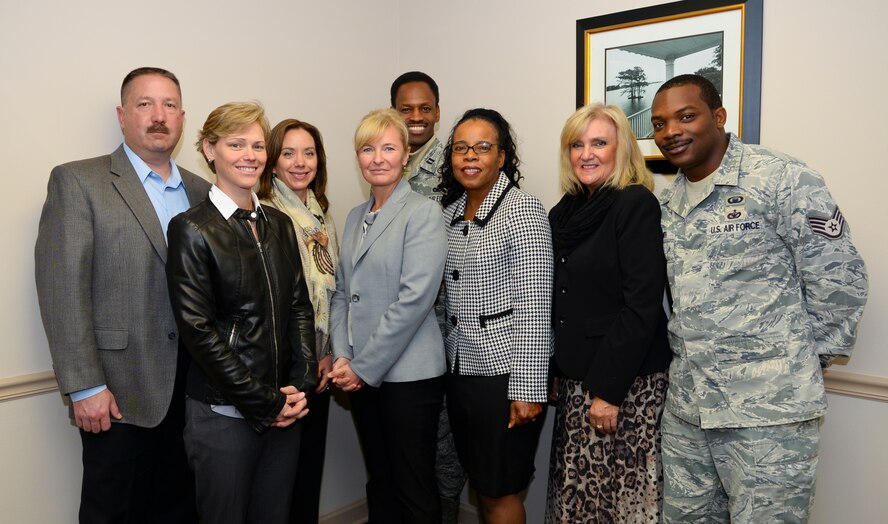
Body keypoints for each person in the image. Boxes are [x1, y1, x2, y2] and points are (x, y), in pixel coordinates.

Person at [651, 74, 868, 523]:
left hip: (768, 417)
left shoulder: (780, 178)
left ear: (719, 117)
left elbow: (840, 278)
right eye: (659, 123)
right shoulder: (670, 200)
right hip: (689, 413)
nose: (671, 131)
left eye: (686, 116)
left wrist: (795, 366)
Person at [34, 66, 208, 523]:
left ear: (182, 117)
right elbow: (61, 289)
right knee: (113, 512)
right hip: (119, 393)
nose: (158, 115)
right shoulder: (78, 181)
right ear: (122, 114)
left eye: (169, 105)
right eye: (145, 104)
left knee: (181, 511)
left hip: (194, 393)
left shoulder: (204, 193)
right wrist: (85, 385)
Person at [166, 101, 317, 523]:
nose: (250, 155)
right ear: (209, 149)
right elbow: (198, 331)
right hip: (224, 415)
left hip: (284, 410)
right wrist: (263, 401)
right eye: (236, 144)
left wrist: (301, 383)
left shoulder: (280, 224)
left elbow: (298, 306)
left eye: (257, 145)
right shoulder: (191, 228)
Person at [545, 103, 672, 522]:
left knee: (620, 503)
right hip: (579, 381)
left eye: (599, 142)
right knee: (580, 498)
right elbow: (560, 300)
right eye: (577, 144)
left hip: (624, 386)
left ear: (622, 149)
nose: (587, 153)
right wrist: (554, 369)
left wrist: (608, 392)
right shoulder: (565, 212)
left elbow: (641, 305)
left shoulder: (634, 204)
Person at [329, 108, 447, 523]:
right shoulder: (353, 216)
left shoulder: (423, 213)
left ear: (405, 155)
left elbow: (414, 300)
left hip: (409, 377)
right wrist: (343, 356)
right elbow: (343, 291)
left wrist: (361, 367)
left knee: (412, 486)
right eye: (367, 148)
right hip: (361, 372)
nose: (377, 157)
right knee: (379, 478)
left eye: (388, 148)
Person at [439, 108, 552, 524]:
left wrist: (527, 388)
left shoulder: (522, 210)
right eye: (461, 148)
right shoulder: (449, 215)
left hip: (504, 376)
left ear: (502, 157)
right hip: (460, 370)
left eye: (483, 147)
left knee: (500, 489)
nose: (470, 156)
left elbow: (536, 307)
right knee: (482, 485)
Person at [391, 70, 466, 523]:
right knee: (408, 452)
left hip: (448, 333)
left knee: (445, 453)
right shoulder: (390, 164)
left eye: (425, 108)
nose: (416, 117)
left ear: (438, 112)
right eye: (406, 109)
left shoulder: (455, 165)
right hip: (404, 338)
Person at [257, 118, 339, 524]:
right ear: (272, 162)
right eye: (288, 153)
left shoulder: (320, 217)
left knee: (308, 474)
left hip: (319, 365)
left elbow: (335, 290)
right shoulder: (264, 214)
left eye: (309, 153)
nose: (300, 162)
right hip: (282, 367)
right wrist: (305, 358)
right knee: (278, 485)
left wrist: (327, 355)